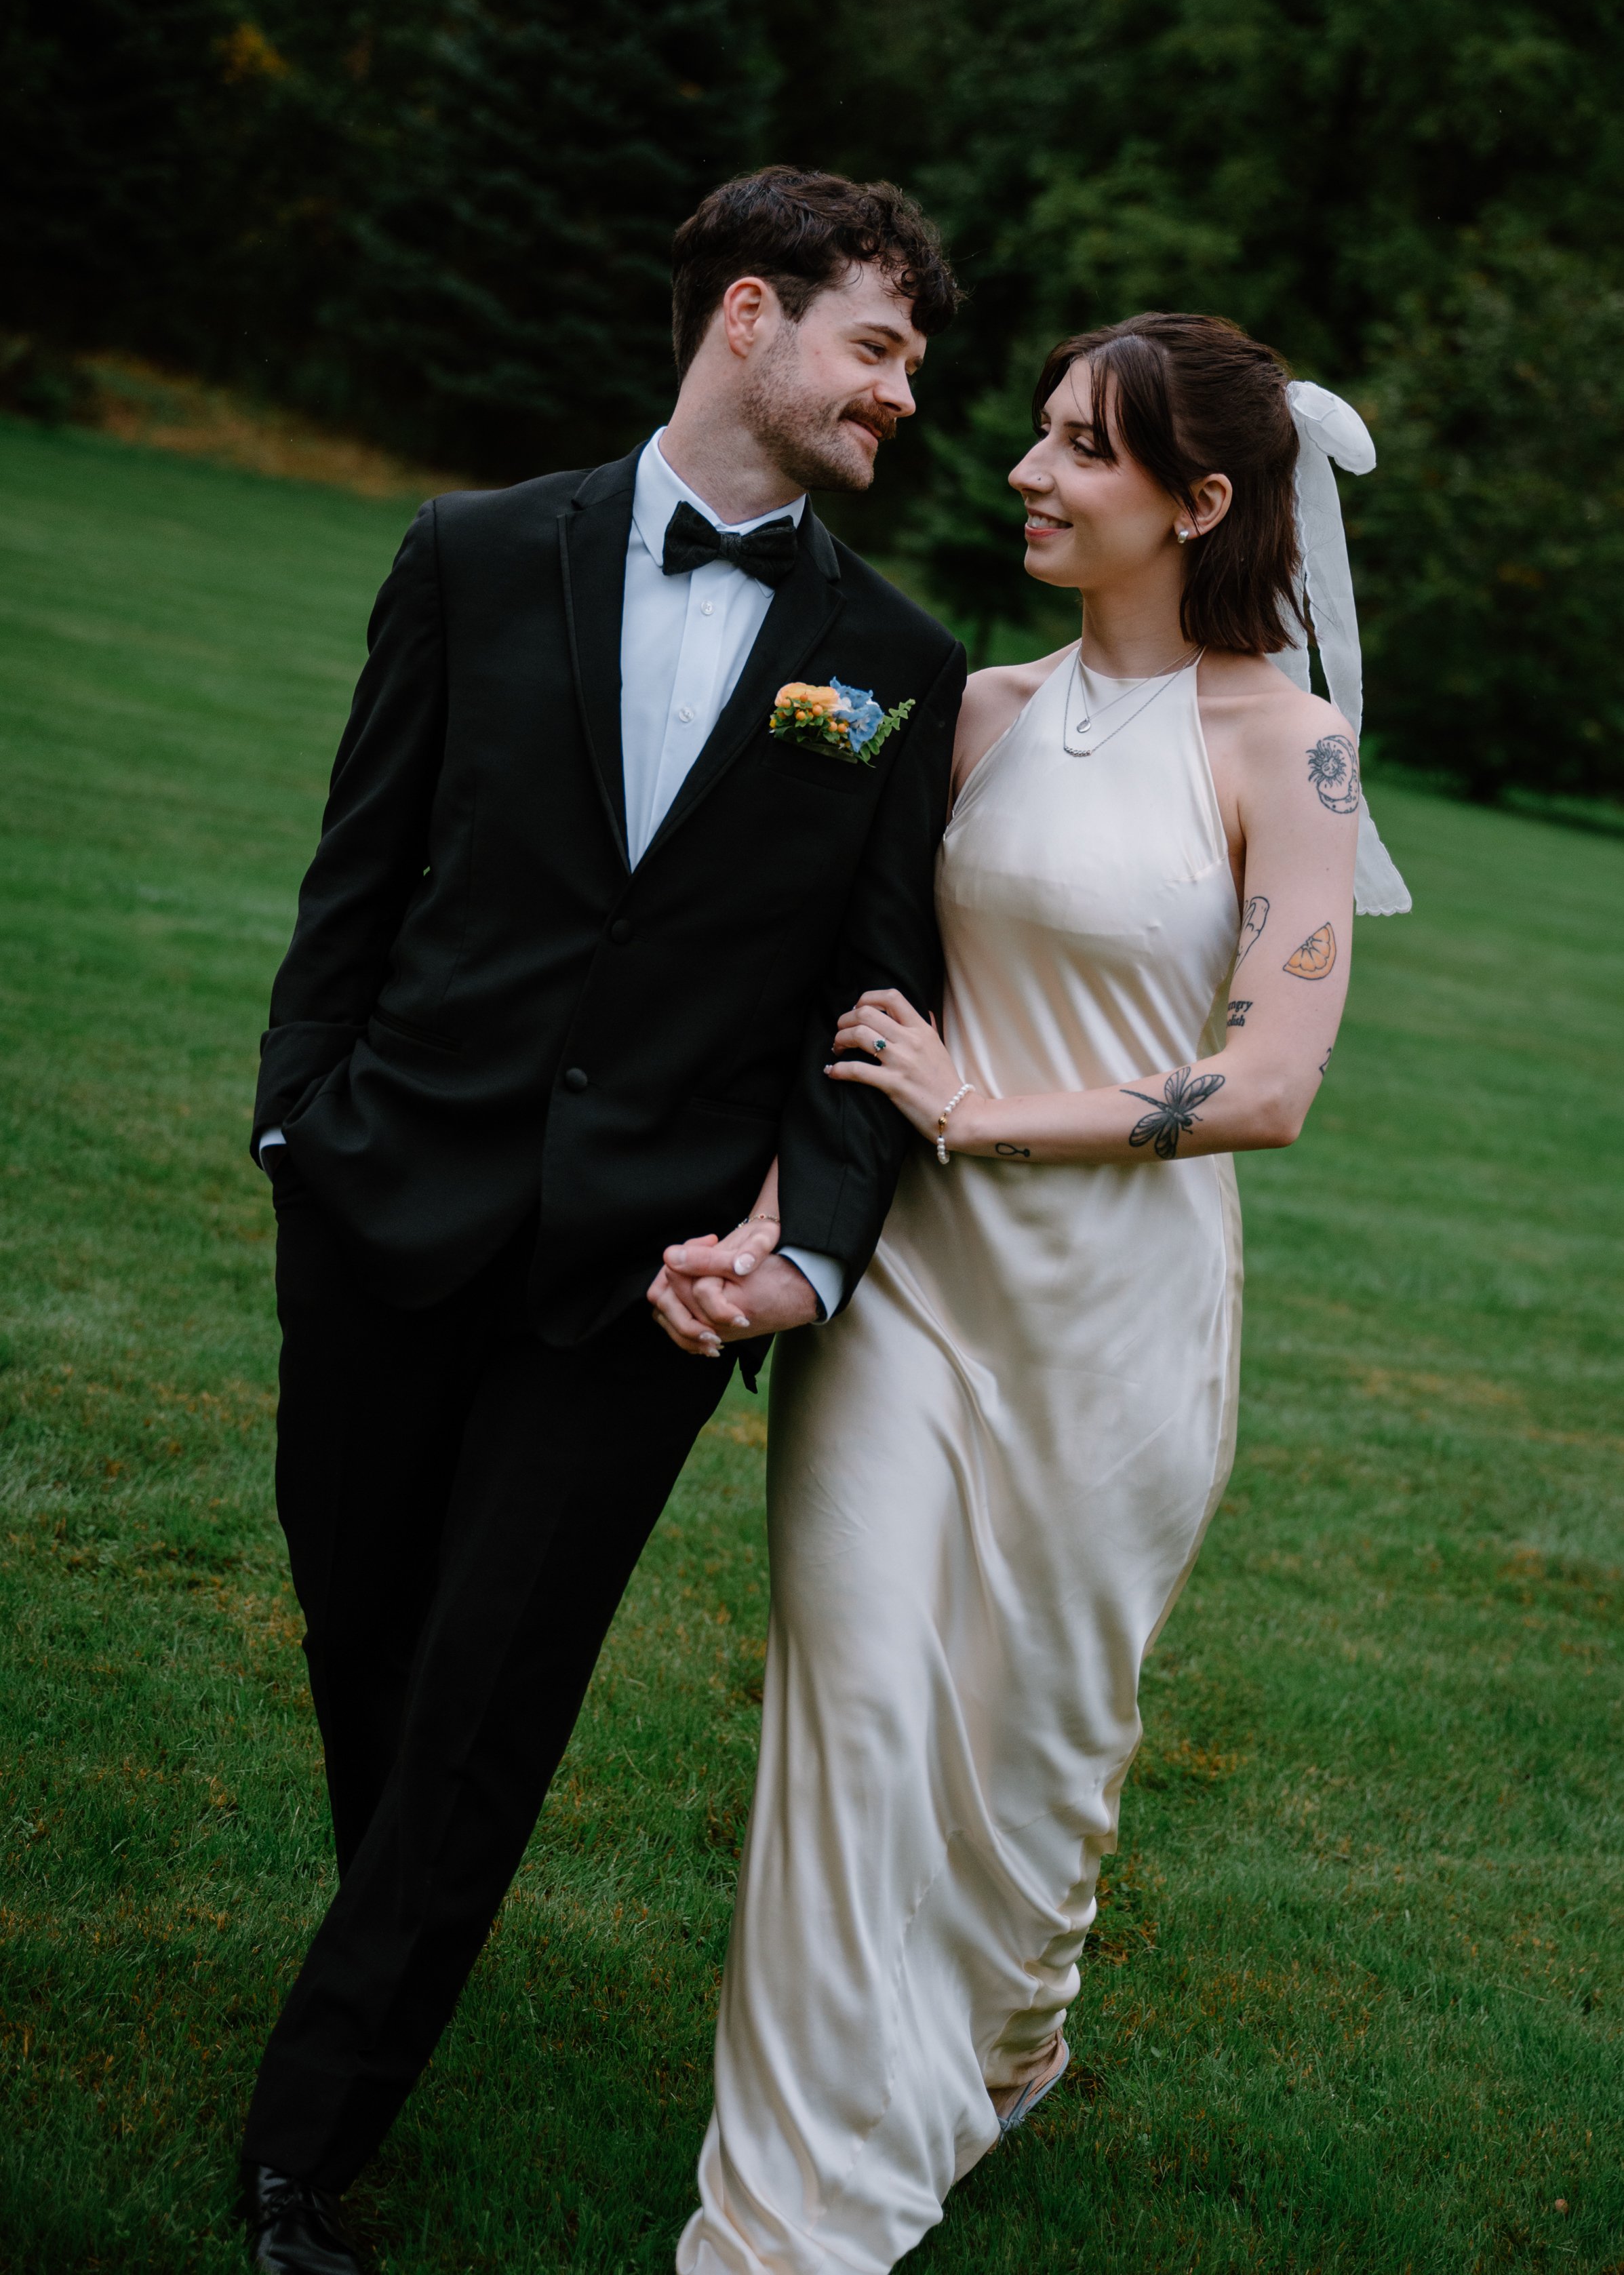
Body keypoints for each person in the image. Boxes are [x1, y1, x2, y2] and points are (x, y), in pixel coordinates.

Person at [237, 166, 966, 2275]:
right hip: (388, 1202)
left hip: (643, 1286)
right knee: (367, 1639)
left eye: (912, 358)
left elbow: (874, 1007)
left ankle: (306, 2154)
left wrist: (799, 1252)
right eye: (877, 344)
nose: (903, 392)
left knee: (486, 1701)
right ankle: (400, 1932)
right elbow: (358, 870)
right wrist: (305, 1129)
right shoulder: (469, 553)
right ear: (749, 316)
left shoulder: (889, 666)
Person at [656, 313, 1410, 2274]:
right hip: (901, 1294)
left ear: (1200, 502)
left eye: (1082, 448)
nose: (1025, 471)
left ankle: (1008, 2038)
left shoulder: (1287, 745)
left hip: (1118, 1329)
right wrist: (769, 1208)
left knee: (1034, 1753)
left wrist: (985, 1112)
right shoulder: (971, 707)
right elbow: (848, 987)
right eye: (1039, 434)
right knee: (852, 1712)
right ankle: (791, 2213)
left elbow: (1267, 1082)